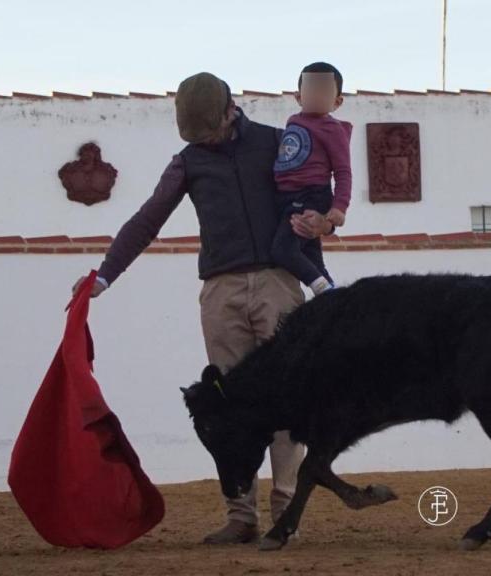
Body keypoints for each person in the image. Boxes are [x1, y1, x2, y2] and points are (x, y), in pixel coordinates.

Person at [71, 72, 336, 545]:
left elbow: (315, 196)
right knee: (229, 405)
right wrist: (105, 276)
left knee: (290, 399)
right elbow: (147, 219)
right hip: (221, 290)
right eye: (197, 136)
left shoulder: (279, 143)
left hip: (279, 281)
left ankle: (286, 512)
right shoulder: (189, 161)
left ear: (231, 110)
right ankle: (242, 515)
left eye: (209, 132)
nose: (205, 142)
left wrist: (326, 223)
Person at [270, 62, 352, 295]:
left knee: (283, 250)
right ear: (298, 97)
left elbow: (343, 171)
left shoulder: (333, 129)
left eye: (325, 92)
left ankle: (320, 288)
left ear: (337, 102)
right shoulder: (293, 121)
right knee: (311, 254)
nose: (317, 96)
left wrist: (339, 207)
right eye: (311, 90)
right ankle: (334, 297)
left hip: (311, 195)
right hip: (287, 196)